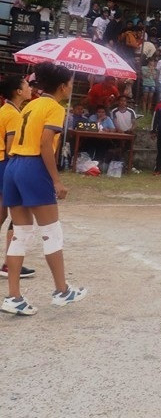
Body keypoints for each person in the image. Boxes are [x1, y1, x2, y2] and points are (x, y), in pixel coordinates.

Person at [1, 63, 86, 316]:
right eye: (70, 83)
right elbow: (45, 143)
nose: (71, 87)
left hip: (13, 166)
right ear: (62, 86)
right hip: (33, 167)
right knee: (51, 232)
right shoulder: (54, 108)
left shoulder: (31, 104)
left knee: (21, 233)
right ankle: (62, 291)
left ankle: (13, 297)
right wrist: (56, 180)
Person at [0, 75, 35, 280]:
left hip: (2, 163)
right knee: (17, 214)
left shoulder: (6, 110)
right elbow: (12, 146)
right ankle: (9, 264)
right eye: (27, 85)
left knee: (4, 214)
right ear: (18, 92)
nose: (30, 88)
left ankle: (8, 263)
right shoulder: (13, 114)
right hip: (6, 164)